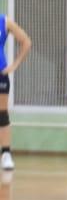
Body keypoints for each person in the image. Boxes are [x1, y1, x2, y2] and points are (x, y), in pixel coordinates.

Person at [0, 12, 33, 170]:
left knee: (2, 113)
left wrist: (14, 65)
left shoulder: (4, 21)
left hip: (1, 75)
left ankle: (6, 154)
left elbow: (26, 42)